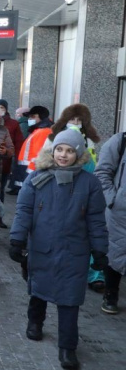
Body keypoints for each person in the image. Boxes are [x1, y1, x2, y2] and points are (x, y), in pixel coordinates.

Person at [10, 129, 108, 370]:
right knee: (39, 286)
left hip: (75, 250)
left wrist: (100, 250)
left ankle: (67, 347)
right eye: (60, 149)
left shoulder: (90, 183)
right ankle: (35, 322)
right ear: (52, 150)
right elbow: (24, 210)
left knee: (70, 298)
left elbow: (96, 219)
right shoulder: (37, 178)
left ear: (79, 154)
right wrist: (17, 239)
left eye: (70, 151)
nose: (63, 155)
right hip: (42, 245)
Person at [46, 104, 104, 291]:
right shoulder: (53, 138)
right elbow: (44, 164)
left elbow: (96, 164)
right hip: (58, 189)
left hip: (85, 189)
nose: (76, 123)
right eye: (72, 119)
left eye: (79, 120)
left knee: (88, 230)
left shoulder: (90, 141)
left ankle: (94, 274)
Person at [94, 131, 126, 315]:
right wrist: (112, 200)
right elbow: (102, 172)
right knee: (115, 250)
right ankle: (111, 293)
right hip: (120, 211)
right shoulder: (120, 141)